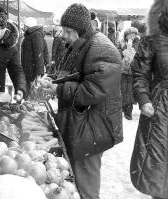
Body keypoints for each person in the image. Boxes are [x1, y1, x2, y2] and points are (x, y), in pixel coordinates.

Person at [41, 3, 123, 199]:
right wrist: (54, 79)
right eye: (63, 30)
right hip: (83, 120)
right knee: (78, 173)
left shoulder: (102, 49)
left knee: (86, 178)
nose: (63, 35)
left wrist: (59, 88)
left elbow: (94, 90)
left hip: (94, 125)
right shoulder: (82, 44)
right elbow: (74, 74)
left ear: (81, 30)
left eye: (68, 31)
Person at [130, 0, 168, 198]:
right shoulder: (153, 39)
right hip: (160, 110)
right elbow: (139, 72)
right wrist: (144, 99)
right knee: (158, 169)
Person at [21, 17, 45, 99]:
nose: (23, 27)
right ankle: (25, 104)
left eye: (24, 26)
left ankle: (27, 106)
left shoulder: (36, 35)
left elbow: (39, 54)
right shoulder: (31, 35)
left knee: (29, 92)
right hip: (28, 68)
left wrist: (39, 73)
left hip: (31, 70)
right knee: (26, 91)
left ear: (27, 26)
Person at [118, 27, 139, 120]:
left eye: (133, 35)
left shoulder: (138, 44)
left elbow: (140, 56)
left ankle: (128, 110)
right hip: (123, 71)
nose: (131, 37)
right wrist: (124, 53)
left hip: (133, 71)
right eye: (129, 35)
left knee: (130, 91)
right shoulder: (122, 44)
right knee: (122, 89)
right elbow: (117, 53)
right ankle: (123, 107)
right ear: (126, 36)